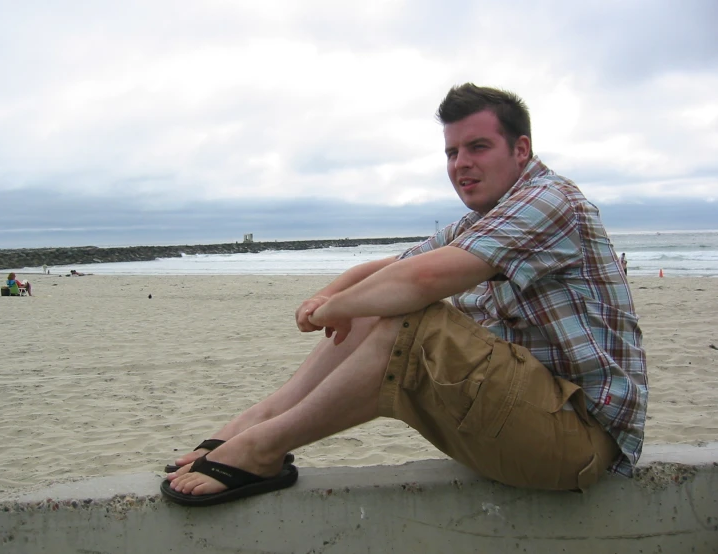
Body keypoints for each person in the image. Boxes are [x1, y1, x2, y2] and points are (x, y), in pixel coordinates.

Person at [162, 83, 647, 506]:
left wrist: (336, 308)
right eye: (453, 153)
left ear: (521, 150)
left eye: (478, 147)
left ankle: (263, 447)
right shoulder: (482, 219)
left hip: (578, 439)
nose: (462, 164)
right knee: (384, 305)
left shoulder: (549, 201)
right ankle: (257, 420)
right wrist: (330, 294)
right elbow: (395, 267)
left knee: (409, 316)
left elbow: (420, 282)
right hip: (527, 418)